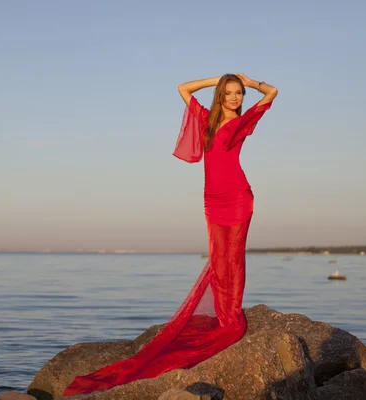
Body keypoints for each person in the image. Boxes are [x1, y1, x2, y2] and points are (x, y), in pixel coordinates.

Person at [64, 73, 278, 396]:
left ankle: (231, 317)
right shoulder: (208, 119)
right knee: (218, 258)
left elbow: (272, 92)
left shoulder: (243, 121)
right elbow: (182, 89)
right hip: (212, 200)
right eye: (230, 93)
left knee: (232, 257)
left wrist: (252, 81)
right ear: (221, 95)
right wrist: (216, 81)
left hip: (237, 199)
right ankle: (223, 312)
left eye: (239, 93)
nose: (235, 98)